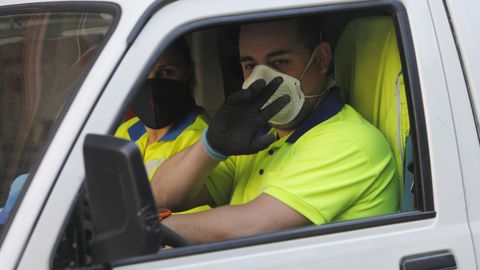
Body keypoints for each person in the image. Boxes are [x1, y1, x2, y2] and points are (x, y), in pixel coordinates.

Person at [151, 18, 399, 244]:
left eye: (279, 62)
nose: (262, 78)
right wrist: (211, 146)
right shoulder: (260, 136)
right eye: (250, 65)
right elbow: (161, 196)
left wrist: (149, 230)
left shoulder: (348, 142)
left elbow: (247, 228)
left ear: (322, 60)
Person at [115, 37, 209, 180]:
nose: (152, 85)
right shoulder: (125, 131)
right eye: (142, 74)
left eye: (167, 72)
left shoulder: (204, 139)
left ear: (187, 72)